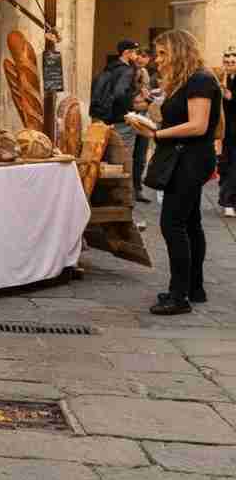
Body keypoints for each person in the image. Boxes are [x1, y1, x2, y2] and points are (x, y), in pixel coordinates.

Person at [129, 30, 221, 315]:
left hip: (189, 159)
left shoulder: (200, 80)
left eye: (163, 53)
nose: (158, 60)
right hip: (187, 156)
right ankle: (193, 288)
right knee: (190, 223)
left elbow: (199, 125)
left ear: (179, 51)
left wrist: (157, 133)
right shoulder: (190, 81)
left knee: (173, 225)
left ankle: (178, 295)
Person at [90, 39, 139, 157]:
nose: (136, 56)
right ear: (127, 53)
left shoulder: (110, 67)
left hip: (107, 117)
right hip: (121, 118)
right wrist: (129, 112)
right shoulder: (127, 70)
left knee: (110, 154)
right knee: (125, 157)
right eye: (135, 52)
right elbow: (119, 93)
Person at [131, 48, 155, 203]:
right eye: (140, 56)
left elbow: (147, 93)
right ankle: (128, 189)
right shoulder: (128, 72)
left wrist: (149, 98)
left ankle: (137, 189)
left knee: (140, 156)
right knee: (128, 155)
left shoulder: (145, 73)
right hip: (130, 116)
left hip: (143, 116)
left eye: (145, 57)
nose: (142, 60)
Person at [218, 48, 236, 217]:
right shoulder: (221, 79)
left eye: (232, 63)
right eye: (227, 62)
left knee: (234, 166)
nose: (229, 65)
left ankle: (228, 201)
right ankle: (228, 199)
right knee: (225, 164)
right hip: (226, 130)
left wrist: (229, 95)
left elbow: (230, 98)